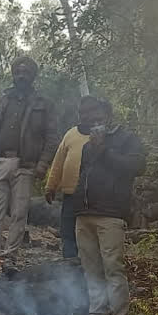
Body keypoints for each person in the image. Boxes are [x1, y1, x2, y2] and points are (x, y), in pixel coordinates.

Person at [0, 56, 58, 277]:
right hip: (0, 163)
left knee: (20, 214)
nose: (22, 75)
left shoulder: (43, 103)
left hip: (25, 166)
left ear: (33, 76)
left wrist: (43, 164)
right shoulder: (3, 100)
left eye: (26, 71)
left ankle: (10, 260)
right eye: (18, 71)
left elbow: (51, 137)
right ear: (13, 74)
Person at [73, 100, 146, 315]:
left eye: (94, 112)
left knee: (113, 268)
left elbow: (137, 166)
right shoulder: (86, 147)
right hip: (84, 214)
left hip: (112, 214)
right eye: (83, 114)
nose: (89, 117)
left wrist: (105, 149)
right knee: (91, 270)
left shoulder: (127, 139)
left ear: (107, 113)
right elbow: (84, 176)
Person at [45, 96, 106, 258]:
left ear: (98, 112)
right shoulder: (71, 134)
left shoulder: (105, 135)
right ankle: (70, 269)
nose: (86, 116)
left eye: (90, 111)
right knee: (67, 232)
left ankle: (90, 270)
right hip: (71, 194)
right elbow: (58, 161)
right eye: (82, 112)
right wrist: (51, 186)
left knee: (90, 234)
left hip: (96, 196)